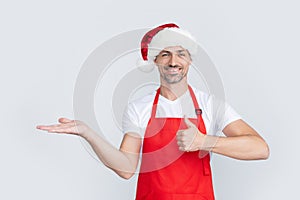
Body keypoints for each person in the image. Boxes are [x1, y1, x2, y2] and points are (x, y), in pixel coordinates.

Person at [36, 23, 269, 200]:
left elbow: (260, 148)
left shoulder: (210, 105)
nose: (173, 60)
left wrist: (204, 141)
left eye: (181, 53)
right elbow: (126, 168)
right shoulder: (140, 108)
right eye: (165, 54)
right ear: (155, 61)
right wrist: (88, 133)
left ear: (189, 61)